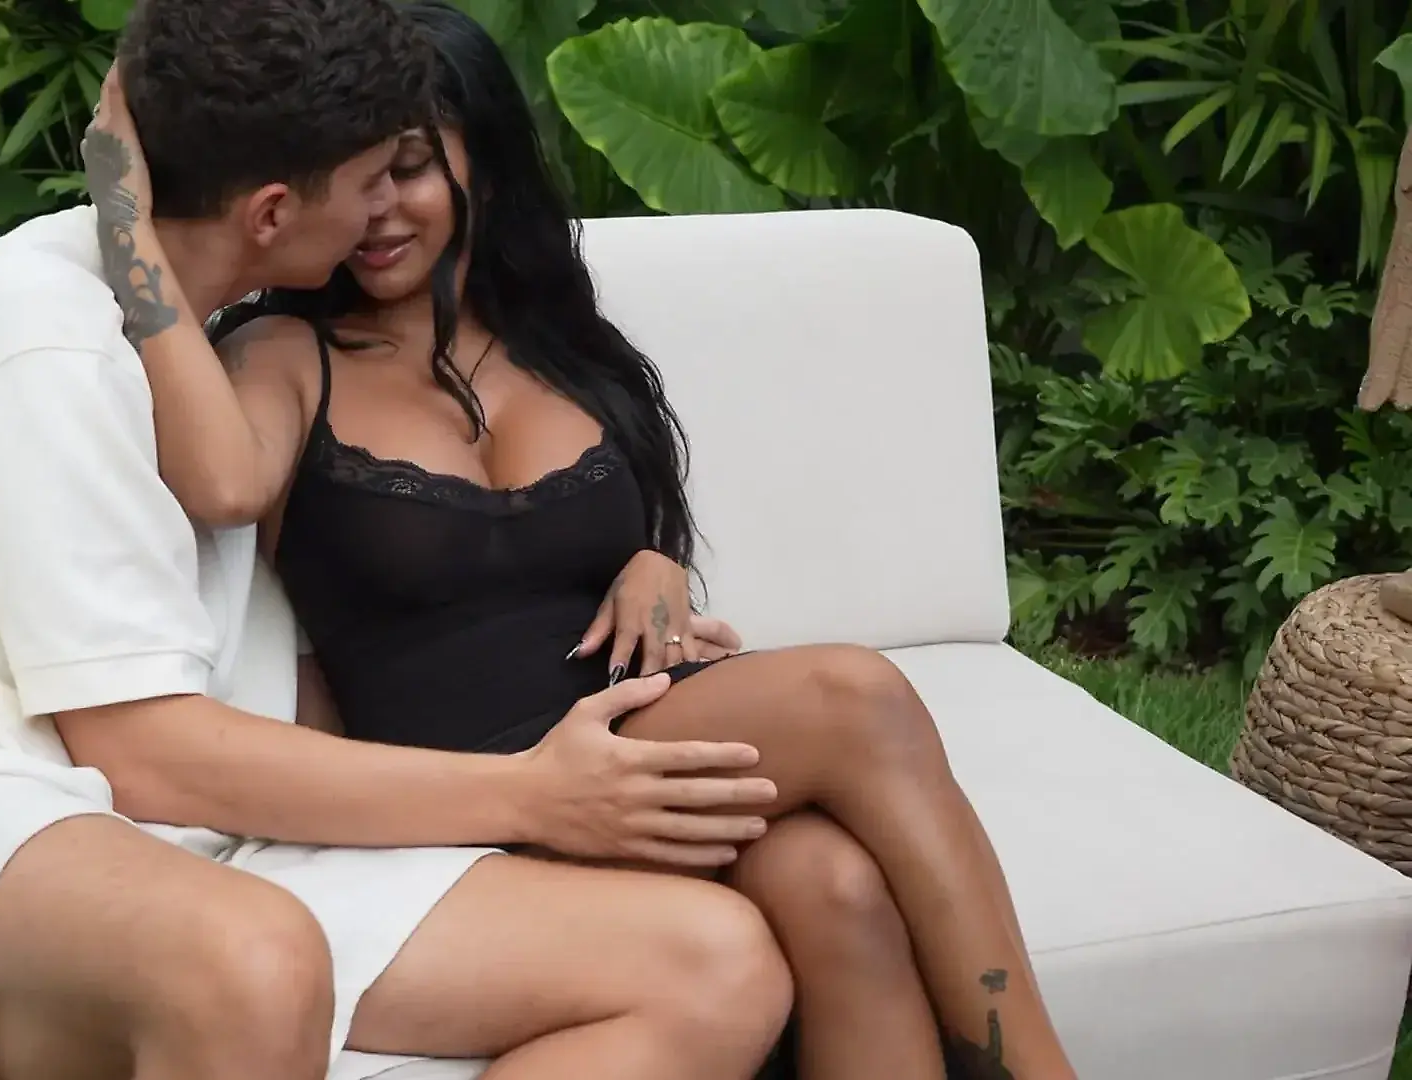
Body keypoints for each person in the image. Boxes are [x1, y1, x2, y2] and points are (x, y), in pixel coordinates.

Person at [0, 3, 803, 1080]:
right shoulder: (43, 338)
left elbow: (253, 539)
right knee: (253, 962)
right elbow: (141, 752)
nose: (388, 211)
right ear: (276, 212)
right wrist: (530, 793)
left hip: (202, 839)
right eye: (376, 177)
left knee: (713, 966)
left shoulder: (219, 347)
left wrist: (631, 562)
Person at [107, 3, 1079, 1079]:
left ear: (485, 162)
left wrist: (657, 562)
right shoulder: (292, 352)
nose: (376, 209)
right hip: (477, 778)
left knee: (830, 882)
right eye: (354, 178)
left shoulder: (566, 346)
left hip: (629, 723)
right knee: (857, 698)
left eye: (408, 169)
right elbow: (222, 483)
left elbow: (607, 542)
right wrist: (124, 219)